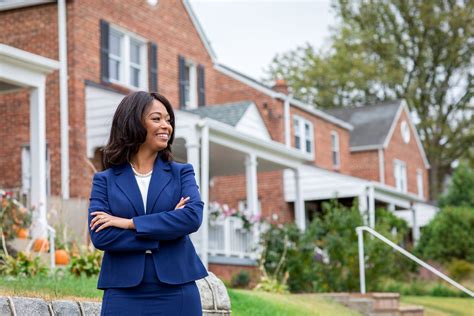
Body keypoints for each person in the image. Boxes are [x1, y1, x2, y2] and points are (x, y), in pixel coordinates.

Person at [88, 91, 208, 315]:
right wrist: (167, 230)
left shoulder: (182, 173)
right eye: (157, 119)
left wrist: (128, 223)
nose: (166, 126)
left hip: (177, 288)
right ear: (133, 122)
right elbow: (101, 235)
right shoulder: (104, 180)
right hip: (122, 290)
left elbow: (191, 218)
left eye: (168, 120)